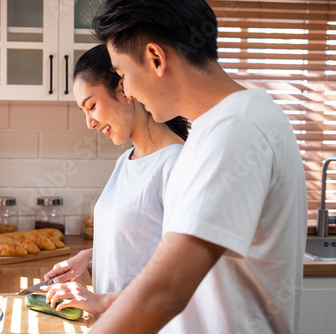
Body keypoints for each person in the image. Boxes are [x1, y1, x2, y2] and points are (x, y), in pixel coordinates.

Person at [85, 1, 308, 334]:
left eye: (122, 75)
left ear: (156, 59)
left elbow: (166, 291)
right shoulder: (214, 128)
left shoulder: (238, 129)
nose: (126, 90)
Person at [41, 44, 188, 315]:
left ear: (125, 89)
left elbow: (184, 281)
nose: (89, 123)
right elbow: (143, 240)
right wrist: (89, 256)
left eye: (92, 106)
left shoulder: (177, 164)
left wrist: (100, 301)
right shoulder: (127, 160)